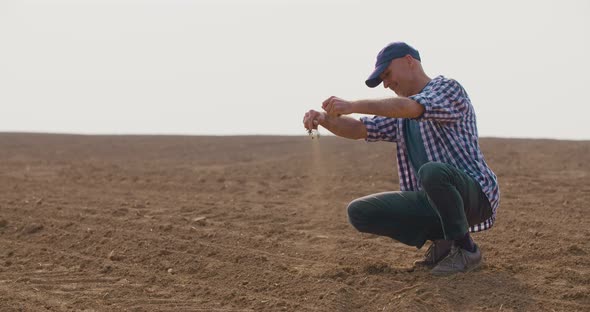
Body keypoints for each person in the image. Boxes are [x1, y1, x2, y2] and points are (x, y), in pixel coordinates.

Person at [302, 42, 499, 275]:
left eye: (387, 74)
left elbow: (412, 108)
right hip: (434, 199)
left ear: (409, 61)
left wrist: (353, 105)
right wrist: (324, 119)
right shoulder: (400, 115)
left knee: (432, 172)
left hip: (475, 194)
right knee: (360, 211)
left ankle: (467, 249)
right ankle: (444, 243)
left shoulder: (447, 88)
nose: (386, 84)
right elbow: (358, 129)